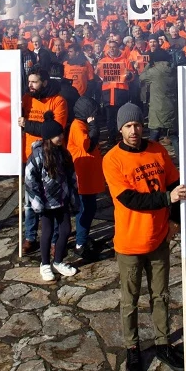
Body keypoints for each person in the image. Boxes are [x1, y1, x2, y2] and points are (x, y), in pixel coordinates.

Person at [103, 103, 186, 371]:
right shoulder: (112, 159)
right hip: (129, 243)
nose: (134, 130)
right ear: (120, 129)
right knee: (130, 300)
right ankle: (133, 348)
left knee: (161, 295)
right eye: (128, 126)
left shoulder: (158, 150)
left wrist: (174, 218)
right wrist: (166, 199)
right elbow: (130, 199)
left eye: (137, 125)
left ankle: (163, 343)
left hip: (159, 238)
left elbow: (174, 183)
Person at [19, 68, 69, 254]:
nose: (30, 85)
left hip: (50, 157)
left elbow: (55, 129)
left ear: (45, 83)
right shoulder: (26, 99)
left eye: (34, 82)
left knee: (53, 201)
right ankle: (30, 237)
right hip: (28, 157)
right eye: (29, 81)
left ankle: (56, 239)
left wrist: (27, 124)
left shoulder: (58, 101)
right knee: (29, 202)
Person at [25, 112, 80, 281]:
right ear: (49, 137)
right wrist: (37, 201)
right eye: (58, 135)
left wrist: (73, 196)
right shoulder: (37, 155)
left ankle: (58, 261)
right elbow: (30, 179)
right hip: (45, 202)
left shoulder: (64, 154)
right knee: (47, 232)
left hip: (62, 199)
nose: (61, 137)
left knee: (65, 230)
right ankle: (45, 264)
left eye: (62, 133)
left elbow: (71, 176)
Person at [67, 96, 104, 261]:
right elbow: (88, 145)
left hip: (87, 175)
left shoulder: (79, 124)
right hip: (83, 177)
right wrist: (93, 124)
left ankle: (82, 239)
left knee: (88, 208)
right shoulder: (78, 126)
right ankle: (80, 244)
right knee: (86, 210)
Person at [139, 49, 179, 159]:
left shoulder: (153, 72)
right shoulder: (173, 70)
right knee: (174, 136)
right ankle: (182, 159)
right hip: (171, 107)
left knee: (154, 135)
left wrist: (148, 65)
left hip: (157, 109)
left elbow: (141, 77)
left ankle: (151, 159)